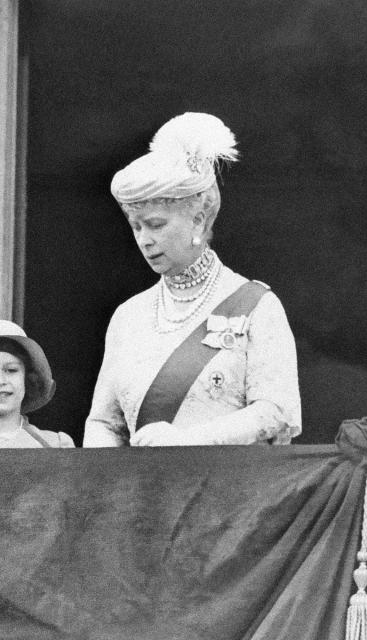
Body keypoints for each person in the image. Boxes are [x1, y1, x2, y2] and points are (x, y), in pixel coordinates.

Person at [83, 113, 301, 447]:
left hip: (231, 494)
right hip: (141, 496)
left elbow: (276, 411)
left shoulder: (256, 305)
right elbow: (104, 424)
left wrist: (189, 442)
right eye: (136, 226)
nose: (144, 240)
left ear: (198, 220)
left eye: (155, 225)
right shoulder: (128, 317)